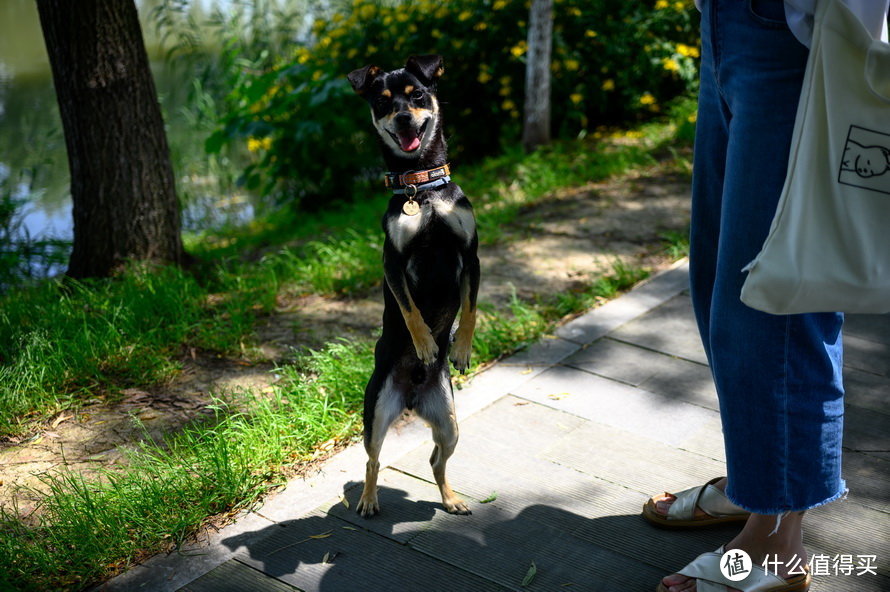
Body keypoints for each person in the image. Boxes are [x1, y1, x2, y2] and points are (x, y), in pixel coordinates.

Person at [640, 1, 890, 591]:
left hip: (803, 33)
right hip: (727, 21)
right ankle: (758, 477)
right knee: (720, 282)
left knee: (774, 298)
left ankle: (776, 539)